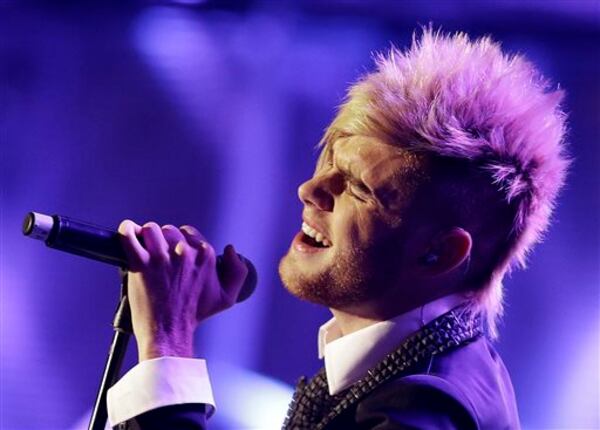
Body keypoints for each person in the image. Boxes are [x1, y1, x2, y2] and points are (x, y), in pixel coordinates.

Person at [106, 28, 569, 429]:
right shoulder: (420, 368)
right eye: (328, 163)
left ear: (440, 253)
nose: (310, 189)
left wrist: (167, 339)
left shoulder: (422, 409)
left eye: (360, 188)